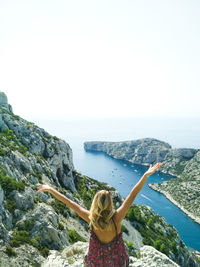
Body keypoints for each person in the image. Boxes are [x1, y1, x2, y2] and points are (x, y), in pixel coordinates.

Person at [36, 162, 162, 266]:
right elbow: (133, 194)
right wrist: (145, 175)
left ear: (95, 203)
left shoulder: (90, 218)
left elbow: (69, 202)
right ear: (110, 204)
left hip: (96, 263)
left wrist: (51, 189)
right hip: (118, 263)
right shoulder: (116, 218)